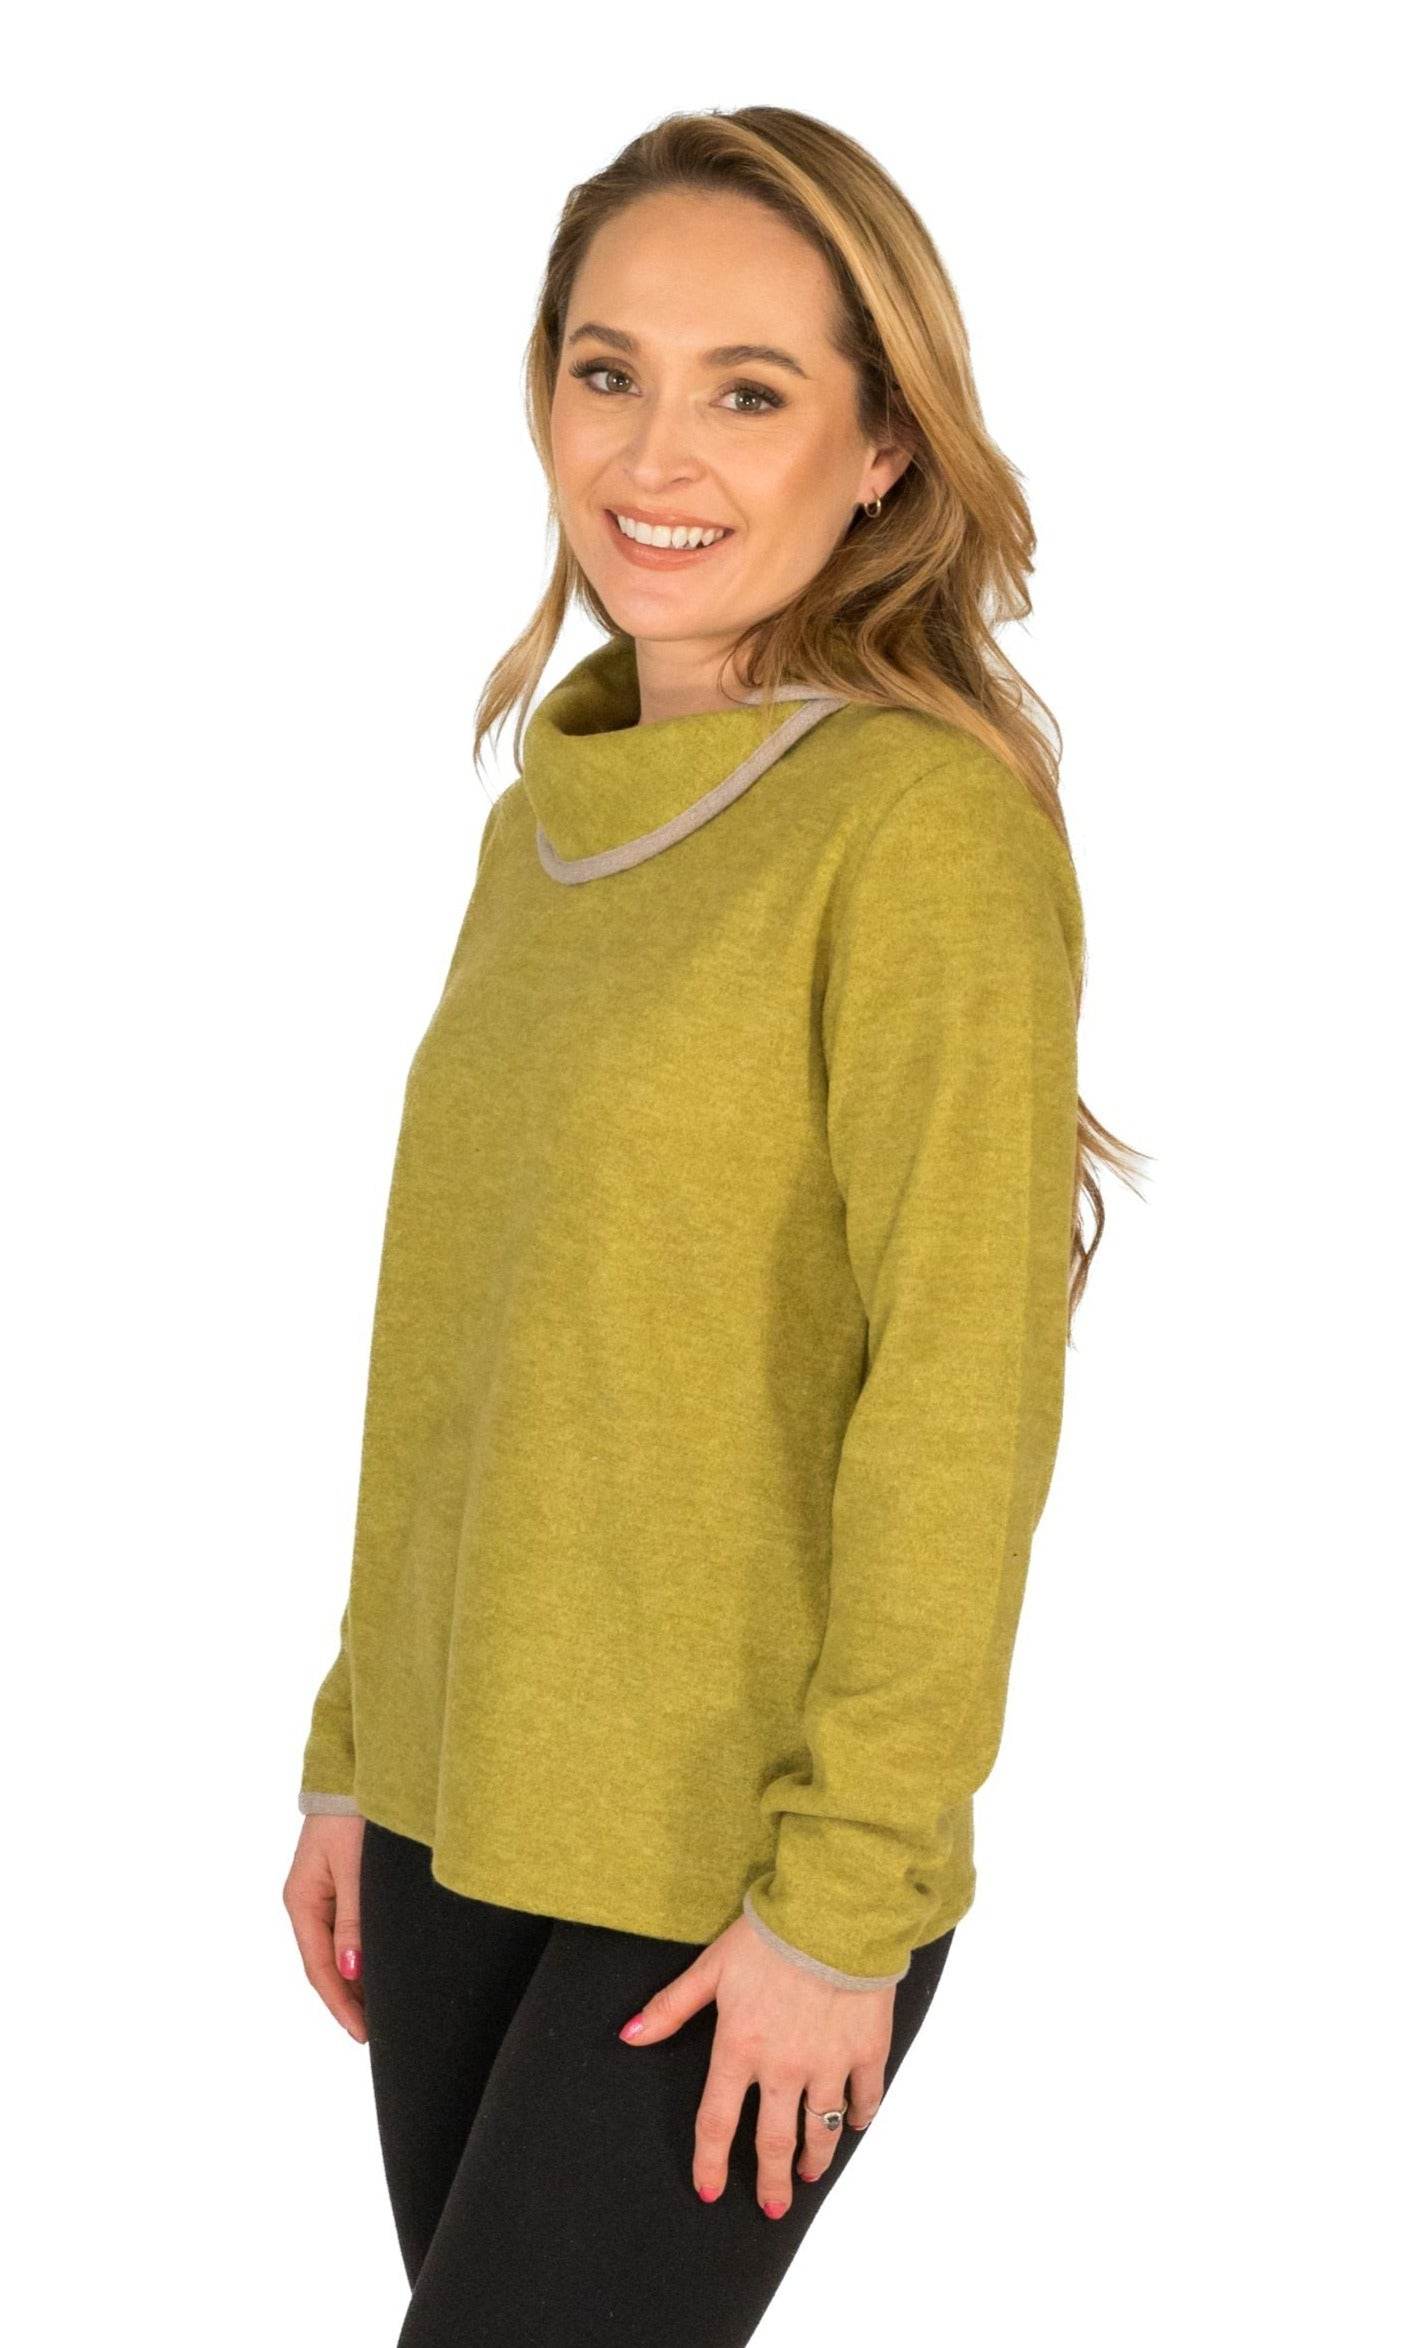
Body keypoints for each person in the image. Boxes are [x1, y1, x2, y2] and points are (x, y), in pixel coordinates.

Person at [282, 103, 1138, 2348]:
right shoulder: (547, 820)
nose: (653, 452)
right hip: (455, 1817)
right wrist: (360, 1744)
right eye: (608, 370)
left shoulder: (919, 832)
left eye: (749, 391)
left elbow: (961, 1397)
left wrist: (850, 1898)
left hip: (725, 1870)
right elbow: (461, 1343)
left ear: (883, 447)